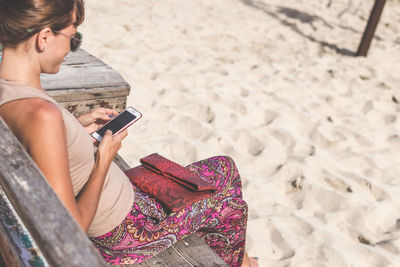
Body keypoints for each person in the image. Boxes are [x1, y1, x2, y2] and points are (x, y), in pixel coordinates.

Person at [0, 0, 258, 266]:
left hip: (124, 207)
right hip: (125, 233)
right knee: (229, 203)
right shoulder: (42, 115)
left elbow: (38, 144)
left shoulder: (10, 89)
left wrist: (77, 127)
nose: (71, 48)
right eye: (73, 37)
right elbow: (70, 227)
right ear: (44, 37)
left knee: (222, 170)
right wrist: (104, 160)